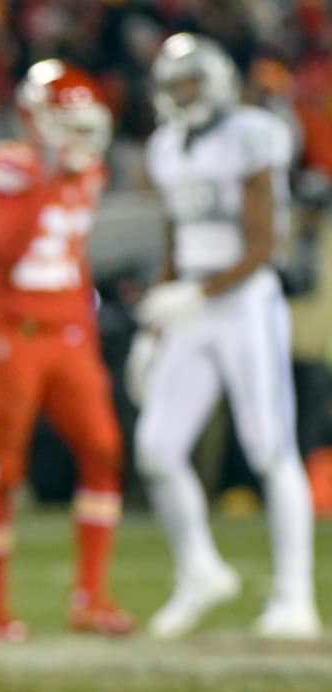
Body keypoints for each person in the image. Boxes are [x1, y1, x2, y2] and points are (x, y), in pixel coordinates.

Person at [129, 33, 323, 640]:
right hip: (192, 305)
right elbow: (174, 238)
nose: (182, 94)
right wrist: (155, 322)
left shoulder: (250, 134)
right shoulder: (165, 146)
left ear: (214, 83)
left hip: (244, 304)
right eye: (173, 85)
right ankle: (200, 571)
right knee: (157, 449)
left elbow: (264, 244)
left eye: (190, 83)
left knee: (270, 447)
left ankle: (296, 597)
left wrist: (197, 293)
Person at [0, 59, 133, 641]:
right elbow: (7, 249)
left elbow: (75, 257)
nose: (82, 137)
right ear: (37, 120)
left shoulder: (91, 170)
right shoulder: (4, 166)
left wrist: (84, 321)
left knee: (104, 450)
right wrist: (47, 177)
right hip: (15, 332)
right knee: (3, 475)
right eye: (70, 123)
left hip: (68, 335)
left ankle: (91, 597)